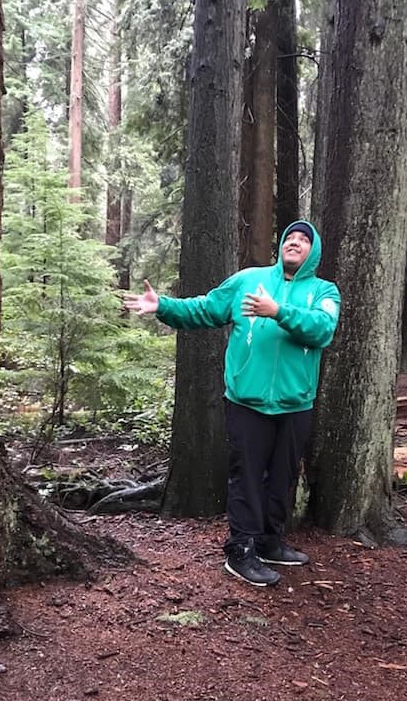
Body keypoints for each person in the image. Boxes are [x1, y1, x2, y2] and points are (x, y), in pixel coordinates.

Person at [123, 220, 340, 587]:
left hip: (295, 404)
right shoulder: (247, 281)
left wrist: (278, 312)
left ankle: (271, 541)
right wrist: (162, 306)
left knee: (282, 478)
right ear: (282, 246)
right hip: (246, 402)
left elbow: (323, 330)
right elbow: (205, 309)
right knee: (248, 478)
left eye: (304, 240)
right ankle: (241, 551)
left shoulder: (324, 291)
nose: (295, 242)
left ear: (313, 251)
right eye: (290, 237)